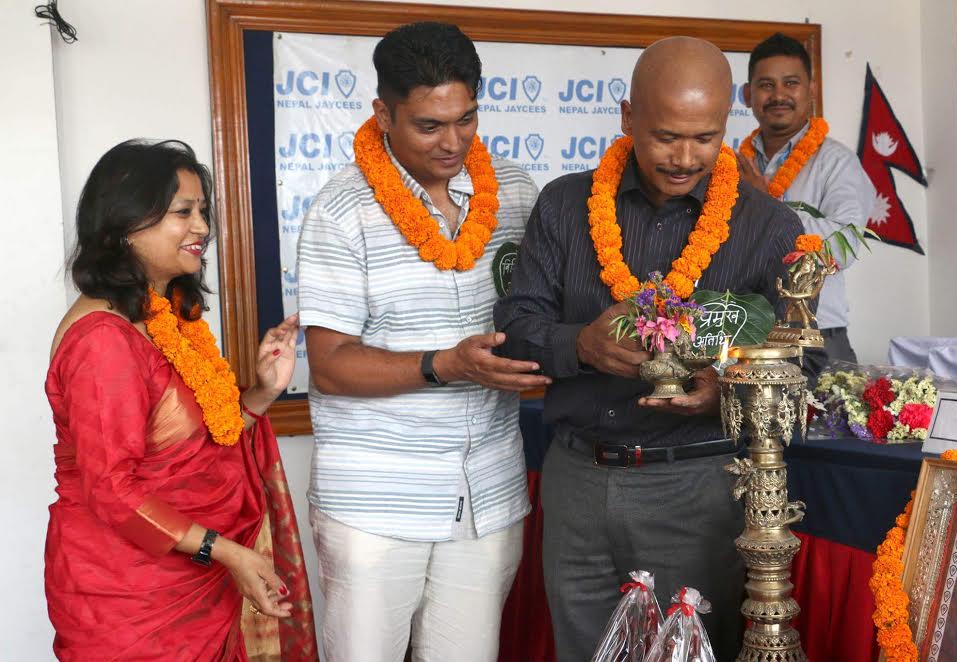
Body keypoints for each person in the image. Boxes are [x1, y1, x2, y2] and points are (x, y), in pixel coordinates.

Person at [494, 37, 824, 662]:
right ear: (627, 118)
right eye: (666, 136)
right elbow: (515, 328)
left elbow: (803, 360)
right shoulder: (565, 206)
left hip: (695, 487)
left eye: (705, 138)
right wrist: (582, 344)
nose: (684, 158)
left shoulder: (767, 226)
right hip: (577, 482)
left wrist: (723, 393)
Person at [296, 22, 544, 662]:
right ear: (384, 114)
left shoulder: (515, 192)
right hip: (375, 505)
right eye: (429, 126)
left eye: (466, 120)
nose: (452, 142)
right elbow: (330, 365)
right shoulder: (341, 210)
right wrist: (447, 365)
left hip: (488, 494)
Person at [45, 139, 317, 661]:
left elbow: (196, 447)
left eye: (203, 212)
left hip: (193, 578)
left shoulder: (159, 316)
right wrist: (225, 551)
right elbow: (112, 491)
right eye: (183, 212)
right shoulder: (103, 340)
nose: (202, 228)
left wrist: (261, 393)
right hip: (131, 596)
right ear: (125, 224)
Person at [739, 32, 875, 363]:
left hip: (817, 336)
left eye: (791, 83)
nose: (778, 95)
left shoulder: (837, 162)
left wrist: (766, 206)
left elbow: (844, 246)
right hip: (748, 338)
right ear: (747, 94)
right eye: (766, 85)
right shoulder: (735, 165)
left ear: (811, 90)